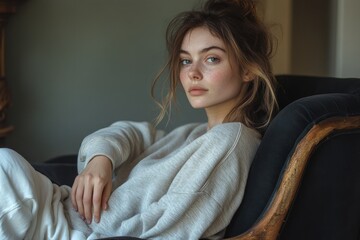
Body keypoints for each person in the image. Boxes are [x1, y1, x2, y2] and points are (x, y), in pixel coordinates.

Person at [0, 0, 277, 239]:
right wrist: (101, 160)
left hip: (67, 229)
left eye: (212, 59)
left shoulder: (229, 142)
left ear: (249, 70)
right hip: (54, 209)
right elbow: (132, 134)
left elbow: (171, 229)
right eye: (185, 60)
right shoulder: (194, 134)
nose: (193, 73)